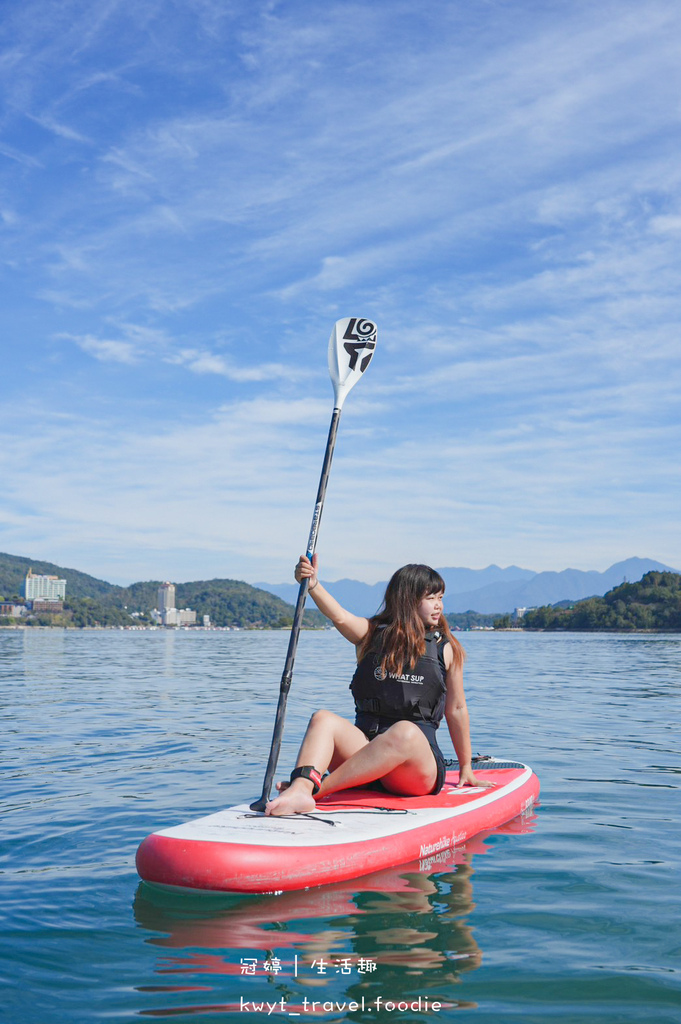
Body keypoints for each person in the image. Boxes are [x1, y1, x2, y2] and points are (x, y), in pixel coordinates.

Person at [266, 555, 492, 816]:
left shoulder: (447, 649)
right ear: (407, 600)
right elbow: (339, 616)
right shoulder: (370, 635)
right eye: (431, 598)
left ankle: (317, 791)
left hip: (413, 771)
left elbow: (457, 709)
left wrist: (466, 767)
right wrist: (313, 585)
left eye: (440, 597)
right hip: (363, 759)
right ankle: (300, 790)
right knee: (323, 719)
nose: (438, 605)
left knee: (404, 732)